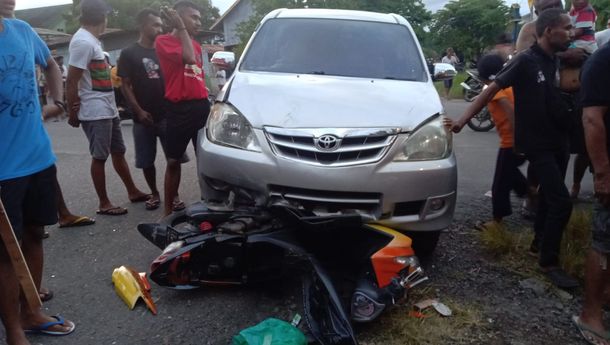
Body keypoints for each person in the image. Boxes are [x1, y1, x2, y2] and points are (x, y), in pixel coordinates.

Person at [457, 9, 578, 289]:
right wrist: (464, 119)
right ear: (548, 31)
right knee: (561, 202)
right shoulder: (525, 61)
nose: (571, 33)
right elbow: (490, 90)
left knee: (549, 197)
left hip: (559, 140)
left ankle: (538, 243)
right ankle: (549, 262)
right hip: (537, 144)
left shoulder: (556, 61)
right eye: (567, 28)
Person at [0, 0, 76, 343]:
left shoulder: (23, 31)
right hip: (3, 170)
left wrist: (57, 103)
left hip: (37, 156)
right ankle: (13, 328)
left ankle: (30, 313)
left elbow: (51, 66)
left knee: (34, 233)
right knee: (4, 250)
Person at [66, 0, 149, 216]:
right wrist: (72, 112)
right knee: (100, 156)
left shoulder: (93, 41)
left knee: (118, 151)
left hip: (108, 108)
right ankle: (104, 203)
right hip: (94, 111)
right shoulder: (82, 42)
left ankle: (132, 191)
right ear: (103, 17)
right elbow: (72, 80)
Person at [446, 54, 527, 230]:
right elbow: (480, 104)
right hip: (518, 141)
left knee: (500, 184)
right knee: (510, 176)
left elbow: (510, 111)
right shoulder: (505, 85)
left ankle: (497, 222)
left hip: (511, 143)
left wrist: (518, 139)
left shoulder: (497, 89)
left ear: (483, 75)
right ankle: (532, 195)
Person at [119, 8, 188, 211]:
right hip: (144, 117)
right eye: (154, 24)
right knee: (147, 160)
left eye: (160, 24)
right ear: (142, 26)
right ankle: (155, 193)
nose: (159, 28)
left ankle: (173, 195)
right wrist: (138, 111)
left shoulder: (164, 48)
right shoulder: (129, 53)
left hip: (169, 113)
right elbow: (125, 84)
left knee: (174, 158)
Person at [155, 1, 210, 216]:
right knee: (173, 160)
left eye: (199, 18)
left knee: (205, 159)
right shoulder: (163, 41)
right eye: (193, 17)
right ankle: (167, 212)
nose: (198, 22)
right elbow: (187, 58)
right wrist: (182, 28)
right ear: (178, 18)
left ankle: (209, 202)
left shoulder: (195, 44)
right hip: (178, 109)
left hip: (200, 107)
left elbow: (197, 72)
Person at [574, 41, 610, 345]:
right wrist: (602, 173)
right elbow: (592, 118)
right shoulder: (603, 59)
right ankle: (591, 313)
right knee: (604, 240)